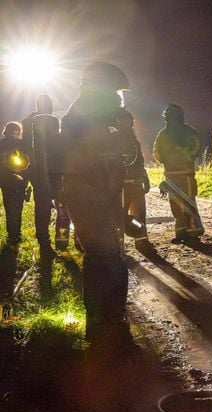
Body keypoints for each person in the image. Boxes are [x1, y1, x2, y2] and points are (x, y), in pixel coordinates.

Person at [60, 61, 132, 353]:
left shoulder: (91, 113)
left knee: (104, 258)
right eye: (113, 91)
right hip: (90, 193)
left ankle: (104, 323)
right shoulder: (85, 114)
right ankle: (105, 325)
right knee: (107, 259)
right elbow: (91, 157)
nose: (118, 98)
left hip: (95, 193)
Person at [22, 94, 69, 254]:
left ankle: (44, 241)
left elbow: (27, 149)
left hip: (40, 175)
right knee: (62, 210)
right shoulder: (53, 121)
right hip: (56, 173)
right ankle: (61, 241)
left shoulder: (30, 123)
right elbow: (61, 146)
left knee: (42, 210)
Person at [152, 104, 203, 244]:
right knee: (180, 204)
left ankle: (190, 232)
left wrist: (180, 153)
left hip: (181, 174)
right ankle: (184, 232)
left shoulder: (168, 133)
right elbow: (158, 154)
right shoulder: (168, 134)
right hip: (176, 174)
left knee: (186, 204)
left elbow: (158, 155)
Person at [116, 109, 150, 246]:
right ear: (118, 122)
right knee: (119, 215)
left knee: (139, 214)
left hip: (135, 184)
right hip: (120, 185)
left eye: (129, 122)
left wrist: (145, 177)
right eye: (123, 121)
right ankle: (119, 243)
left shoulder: (134, 142)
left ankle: (141, 239)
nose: (127, 124)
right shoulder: (113, 140)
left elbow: (140, 161)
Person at [0, 122, 30, 244]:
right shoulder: (18, 144)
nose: (15, 134)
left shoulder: (5, 144)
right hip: (12, 181)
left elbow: (26, 162)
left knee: (13, 207)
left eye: (17, 132)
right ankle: (14, 233)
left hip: (11, 181)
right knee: (15, 207)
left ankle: (14, 233)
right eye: (14, 132)